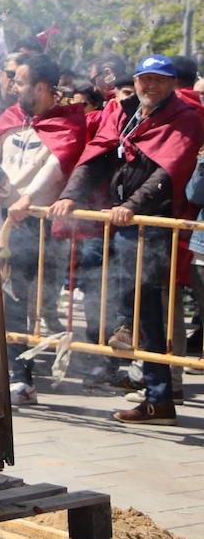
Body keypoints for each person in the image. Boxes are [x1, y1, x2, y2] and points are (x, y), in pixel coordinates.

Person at [49, 55, 204, 425]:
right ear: (134, 81)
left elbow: (169, 170)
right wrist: (71, 195)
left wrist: (132, 207)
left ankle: (159, 396)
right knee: (129, 303)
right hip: (122, 222)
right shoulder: (124, 112)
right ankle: (155, 395)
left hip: (154, 223)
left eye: (159, 79)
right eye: (144, 78)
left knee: (147, 312)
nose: (150, 85)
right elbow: (97, 156)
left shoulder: (185, 117)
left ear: (172, 83)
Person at [0, 53, 86, 405]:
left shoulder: (68, 123)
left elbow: (56, 168)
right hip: (4, 220)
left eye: (20, 80)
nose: (13, 85)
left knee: (34, 303)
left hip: (39, 225)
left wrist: (26, 198)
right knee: (8, 300)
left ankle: (30, 374)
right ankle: (19, 378)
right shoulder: (11, 117)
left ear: (41, 87)